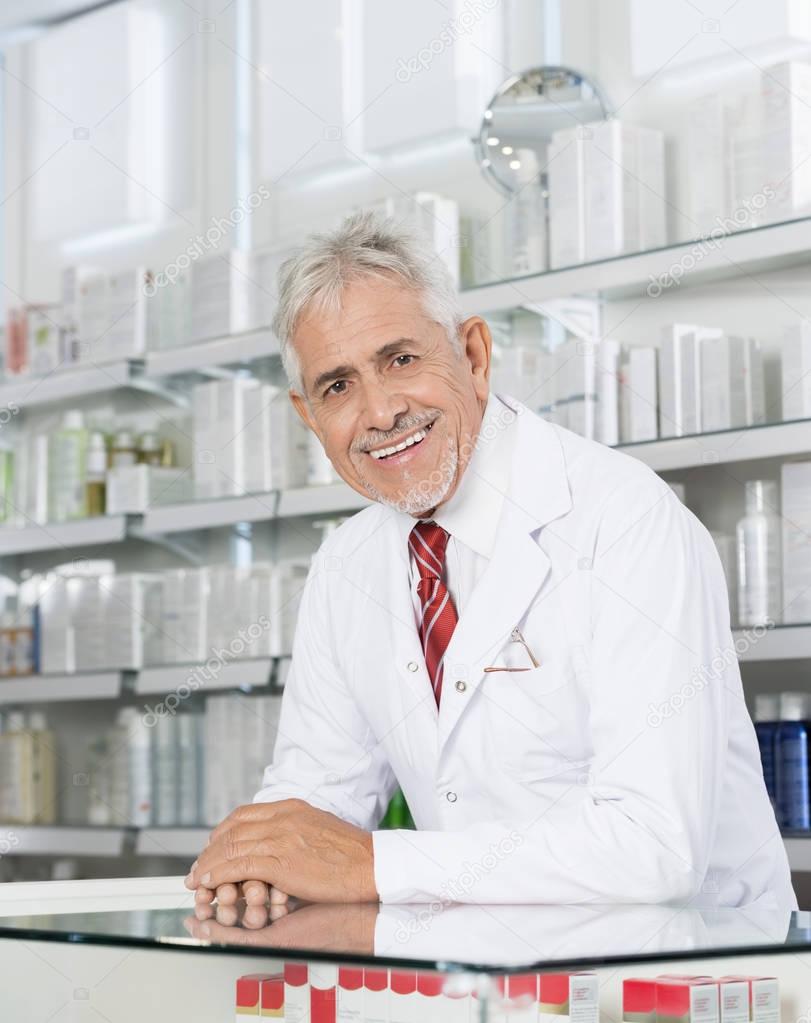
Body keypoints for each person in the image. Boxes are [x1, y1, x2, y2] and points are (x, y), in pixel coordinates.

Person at [185, 211, 795, 911]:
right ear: (308, 415)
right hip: (497, 976)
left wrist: (373, 865)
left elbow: (654, 844)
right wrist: (258, 866)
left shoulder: (624, 522)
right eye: (337, 386)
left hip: (688, 980)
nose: (380, 411)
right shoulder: (346, 563)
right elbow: (317, 794)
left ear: (473, 354)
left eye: (400, 359)